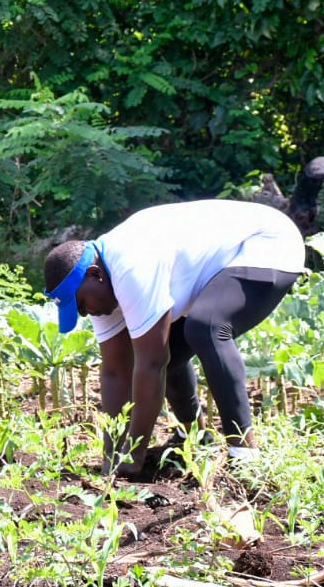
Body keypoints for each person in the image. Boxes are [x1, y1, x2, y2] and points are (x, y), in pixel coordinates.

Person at [43, 199, 305, 478]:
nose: (85, 314)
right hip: (219, 266)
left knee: (206, 328)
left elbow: (150, 364)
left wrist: (133, 456)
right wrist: (111, 457)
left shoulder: (130, 266)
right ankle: (195, 436)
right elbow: (115, 373)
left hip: (267, 243)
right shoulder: (98, 285)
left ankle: (245, 456)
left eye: (81, 305)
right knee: (168, 355)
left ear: (95, 276)